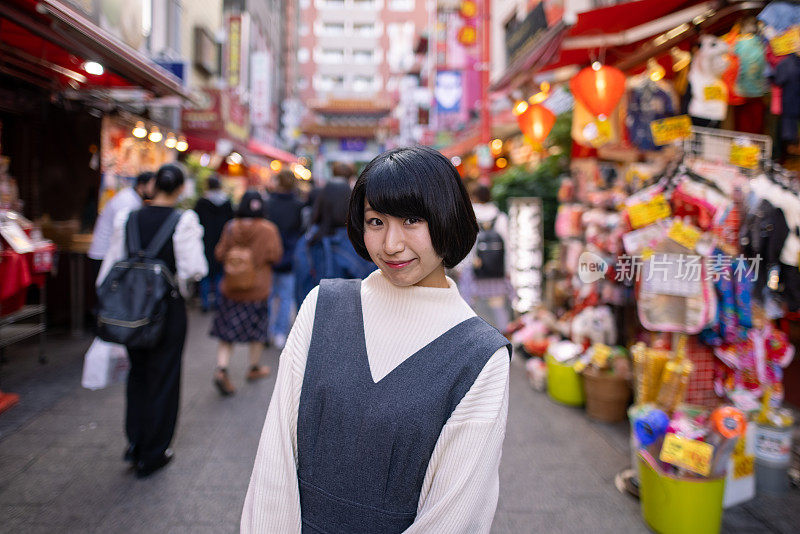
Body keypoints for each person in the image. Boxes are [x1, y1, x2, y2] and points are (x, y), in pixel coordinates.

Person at [241, 146, 511, 533]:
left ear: (448, 217)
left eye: (412, 220)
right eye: (375, 221)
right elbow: (275, 459)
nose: (390, 245)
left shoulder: (481, 355)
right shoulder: (322, 306)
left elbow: (456, 515)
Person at [97, 164, 207, 478]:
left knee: (138, 376)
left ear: (153, 185)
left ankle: (134, 443)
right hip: (165, 311)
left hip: (131, 310)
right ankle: (154, 451)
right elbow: (194, 269)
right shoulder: (183, 221)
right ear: (180, 188)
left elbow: (110, 268)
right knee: (164, 377)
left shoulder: (128, 218)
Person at [210, 190, 283, 396]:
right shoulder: (268, 229)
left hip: (231, 288)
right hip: (258, 289)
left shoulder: (231, 227)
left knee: (226, 333)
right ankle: (254, 367)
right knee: (257, 331)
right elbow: (276, 256)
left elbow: (219, 254)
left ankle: (221, 368)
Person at [294, 161, 375, 303]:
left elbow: (300, 289)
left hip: (312, 318)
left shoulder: (307, 242)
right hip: (353, 319)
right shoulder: (360, 244)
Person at [456, 183, 514, 332]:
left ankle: (469, 335)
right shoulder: (500, 217)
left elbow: (467, 243)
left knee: (468, 303)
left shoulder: (470, 215)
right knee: (498, 303)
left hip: (474, 267)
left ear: (474, 197)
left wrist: (461, 266)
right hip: (496, 268)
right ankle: (505, 335)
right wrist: (508, 269)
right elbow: (507, 245)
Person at [88, 172, 154, 282]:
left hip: (106, 253)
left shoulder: (131, 197)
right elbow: (123, 232)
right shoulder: (128, 201)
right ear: (142, 185)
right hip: (104, 254)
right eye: (153, 185)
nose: (155, 189)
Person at [265, 170, 304, 349]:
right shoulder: (298, 205)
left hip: (269, 256)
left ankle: (266, 331)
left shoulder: (269, 203)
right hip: (290, 255)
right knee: (286, 297)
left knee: (269, 295)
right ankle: (280, 332)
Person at [194, 175, 234, 312]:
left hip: (205, 241)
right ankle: (218, 301)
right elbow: (231, 222)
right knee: (219, 273)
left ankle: (205, 302)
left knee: (205, 272)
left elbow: (196, 222)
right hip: (222, 242)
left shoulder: (201, 202)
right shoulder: (227, 202)